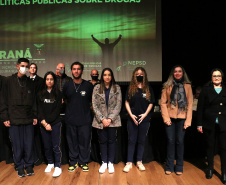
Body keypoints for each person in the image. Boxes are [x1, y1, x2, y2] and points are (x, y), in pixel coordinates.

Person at [1, 58, 37, 177]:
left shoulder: (30, 82)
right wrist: (5, 116)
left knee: (28, 144)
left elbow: (34, 101)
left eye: (27, 66)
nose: (25, 68)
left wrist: (35, 115)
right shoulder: (8, 81)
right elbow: (3, 100)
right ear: (17, 66)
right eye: (22, 66)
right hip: (13, 118)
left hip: (28, 118)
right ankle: (19, 166)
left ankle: (29, 164)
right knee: (17, 145)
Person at [160, 65, 193, 175]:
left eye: (180, 71)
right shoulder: (167, 86)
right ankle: (169, 166)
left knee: (180, 141)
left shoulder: (187, 86)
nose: (177, 73)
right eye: (175, 71)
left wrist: (188, 121)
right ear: (172, 74)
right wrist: (166, 118)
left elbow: (190, 104)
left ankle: (179, 166)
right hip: (169, 118)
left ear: (183, 73)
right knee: (170, 141)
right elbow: (163, 103)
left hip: (182, 118)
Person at [63, 61, 93, 172]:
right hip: (70, 119)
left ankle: (83, 162)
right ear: (71, 71)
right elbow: (65, 100)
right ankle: (73, 162)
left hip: (85, 120)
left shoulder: (88, 85)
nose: (76, 71)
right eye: (74, 69)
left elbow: (91, 102)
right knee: (72, 142)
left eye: (78, 69)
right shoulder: (67, 85)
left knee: (84, 142)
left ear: (82, 71)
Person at [197, 68, 226, 184]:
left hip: (224, 123)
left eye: (218, 75)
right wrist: (199, 123)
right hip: (209, 123)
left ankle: (224, 172)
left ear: (222, 77)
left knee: (224, 148)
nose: (217, 78)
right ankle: (210, 169)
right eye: (214, 76)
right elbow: (200, 108)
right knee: (210, 147)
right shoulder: (206, 89)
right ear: (211, 78)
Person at [123, 67, 155, 172]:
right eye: (137, 73)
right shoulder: (131, 87)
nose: (139, 75)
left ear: (144, 75)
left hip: (144, 119)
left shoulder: (148, 88)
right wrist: (131, 115)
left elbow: (151, 103)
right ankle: (128, 163)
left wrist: (145, 114)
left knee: (141, 141)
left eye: (141, 74)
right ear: (134, 75)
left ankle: (139, 161)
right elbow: (126, 102)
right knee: (132, 140)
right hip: (132, 118)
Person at [92, 68, 122, 174]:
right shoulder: (96, 88)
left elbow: (118, 105)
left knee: (112, 141)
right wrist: (103, 119)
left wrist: (109, 119)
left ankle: (110, 163)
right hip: (100, 121)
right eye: (105, 75)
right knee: (103, 141)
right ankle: (104, 162)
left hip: (113, 121)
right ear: (102, 76)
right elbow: (94, 106)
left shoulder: (117, 87)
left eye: (109, 75)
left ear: (112, 76)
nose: (107, 77)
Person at [37, 71, 62, 177]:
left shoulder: (58, 93)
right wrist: (44, 123)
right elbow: (39, 109)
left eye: (51, 79)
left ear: (54, 81)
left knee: (55, 146)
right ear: (45, 80)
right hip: (43, 124)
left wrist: (49, 123)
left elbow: (57, 110)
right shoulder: (40, 93)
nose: (49, 81)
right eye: (47, 79)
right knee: (47, 146)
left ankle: (57, 166)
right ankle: (50, 163)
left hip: (55, 123)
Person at [29, 62, 44, 166]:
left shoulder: (41, 80)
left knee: (38, 136)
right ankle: (32, 157)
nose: (33, 69)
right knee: (30, 137)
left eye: (34, 68)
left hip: (38, 110)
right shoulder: (25, 80)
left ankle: (40, 157)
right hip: (27, 112)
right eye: (31, 68)